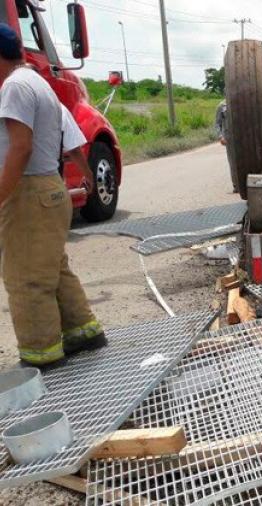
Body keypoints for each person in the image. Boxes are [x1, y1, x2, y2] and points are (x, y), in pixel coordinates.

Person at [0, 24, 104, 368]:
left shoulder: (14, 87)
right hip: (49, 189)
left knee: (26, 277)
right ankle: (83, 331)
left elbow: (20, 147)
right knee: (53, 269)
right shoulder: (35, 83)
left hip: (29, 192)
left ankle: (40, 355)